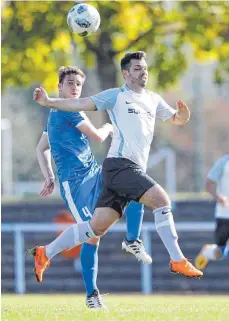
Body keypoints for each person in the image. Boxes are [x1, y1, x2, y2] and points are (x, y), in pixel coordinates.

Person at [32, 51, 203, 288]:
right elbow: (80, 104)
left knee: (94, 229)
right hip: (119, 165)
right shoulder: (115, 96)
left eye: (145, 68)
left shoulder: (153, 99)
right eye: (137, 68)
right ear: (125, 73)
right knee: (161, 200)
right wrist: (49, 101)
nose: (143, 72)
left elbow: (175, 119)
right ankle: (177, 259)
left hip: (110, 172)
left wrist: (183, 116)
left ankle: (45, 252)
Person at [32, 66, 151, 309]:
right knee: (92, 235)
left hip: (95, 174)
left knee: (134, 186)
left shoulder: (57, 112)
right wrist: (109, 127)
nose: (75, 88)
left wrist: (48, 176)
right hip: (75, 185)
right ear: (60, 87)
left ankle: (132, 240)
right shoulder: (69, 111)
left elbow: (41, 148)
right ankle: (88, 293)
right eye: (70, 83)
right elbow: (97, 136)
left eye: (78, 84)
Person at [195, 154, 229, 270]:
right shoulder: (223, 162)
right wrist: (219, 197)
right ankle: (207, 252)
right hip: (225, 215)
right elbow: (208, 184)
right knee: (220, 252)